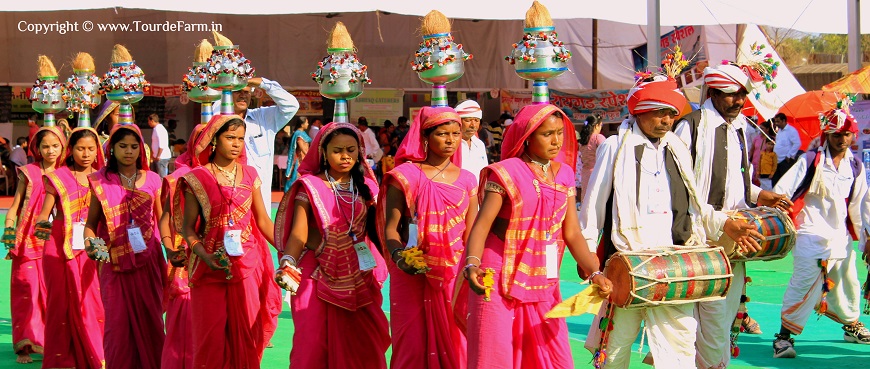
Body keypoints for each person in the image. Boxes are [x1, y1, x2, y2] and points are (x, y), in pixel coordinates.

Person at [581, 75, 760, 369]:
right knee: (614, 348)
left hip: (674, 265)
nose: (666, 120)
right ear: (639, 111)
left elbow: (696, 203)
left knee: (681, 349)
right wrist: (591, 267)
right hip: (629, 264)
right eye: (659, 112)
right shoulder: (615, 146)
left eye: (671, 114)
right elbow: (593, 209)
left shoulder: (675, 146)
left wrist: (723, 224)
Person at [463, 103, 611, 369]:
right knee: (494, 353)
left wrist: (594, 272)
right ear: (528, 136)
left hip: (543, 275)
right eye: (547, 134)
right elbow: (482, 225)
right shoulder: (506, 172)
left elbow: (572, 232)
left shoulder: (564, 173)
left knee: (551, 354)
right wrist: (472, 263)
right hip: (497, 274)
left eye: (560, 133)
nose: (556, 141)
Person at [673, 64, 792, 369]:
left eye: (741, 94)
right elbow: (682, 185)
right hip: (699, 238)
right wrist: (721, 221)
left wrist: (759, 195)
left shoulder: (740, 127)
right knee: (702, 323)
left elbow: (735, 181)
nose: (738, 101)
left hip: (735, 236)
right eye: (730, 94)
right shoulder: (692, 126)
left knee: (724, 322)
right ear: (712, 92)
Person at [275, 122, 390, 369]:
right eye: (338, 150)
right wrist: (288, 262)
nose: (345, 156)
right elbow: (299, 233)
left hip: (358, 274)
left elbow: (376, 232)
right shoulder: (310, 186)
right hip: (315, 274)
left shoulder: (368, 187)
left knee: (363, 343)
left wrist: (397, 256)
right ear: (323, 153)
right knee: (312, 343)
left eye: (351, 150)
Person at [381, 107, 478, 369]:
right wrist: (399, 257)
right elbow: (391, 228)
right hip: (411, 272)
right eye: (442, 134)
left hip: (453, 274)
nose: (450, 140)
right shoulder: (405, 176)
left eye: (456, 134)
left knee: (456, 344)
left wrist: (472, 266)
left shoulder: (469, 180)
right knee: (410, 344)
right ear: (425, 137)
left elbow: (471, 233)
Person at [178, 114, 277, 368]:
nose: (236, 144)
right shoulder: (197, 177)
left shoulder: (250, 174)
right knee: (209, 339)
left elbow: (264, 221)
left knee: (246, 335)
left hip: (247, 264)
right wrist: (202, 254)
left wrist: (289, 250)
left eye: (241, 139)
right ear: (214, 141)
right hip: (208, 265)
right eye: (230, 137)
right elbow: (188, 228)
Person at [772, 104, 870, 358]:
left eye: (847, 134)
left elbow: (860, 205)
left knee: (847, 283)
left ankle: (850, 325)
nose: (843, 139)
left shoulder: (855, 166)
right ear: (827, 135)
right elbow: (782, 192)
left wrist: (866, 239)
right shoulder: (810, 160)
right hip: (810, 234)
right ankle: (783, 337)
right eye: (837, 134)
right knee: (803, 284)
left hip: (840, 237)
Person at [83, 123, 166, 369]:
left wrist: (172, 250)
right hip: (114, 262)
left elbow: (163, 220)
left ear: (141, 149)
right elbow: (91, 224)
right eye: (122, 146)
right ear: (112, 149)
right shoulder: (99, 181)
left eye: (133, 146)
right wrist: (92, 245)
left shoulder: (153, 179)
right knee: (117, 326)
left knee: (151, 321)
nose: (129, 152)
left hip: (148, 259)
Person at [35, 126, 106, 369]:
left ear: (98, 150)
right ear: (70, 150)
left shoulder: (103, 178)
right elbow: (45, 212)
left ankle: (94, 357)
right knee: (59, 305)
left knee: (92, 302)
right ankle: (61, 361)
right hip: (58, 247)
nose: (86, 154)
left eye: (90, 148)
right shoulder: (58, 177)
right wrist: (41, 223)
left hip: (91, 246)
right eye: (80, 148)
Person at [3, 126, 64, 364]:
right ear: (36, 148)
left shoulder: (66, 174)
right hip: (27, 241)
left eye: (55, 145)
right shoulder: (27, 173)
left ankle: (53, 342)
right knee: (26, 291)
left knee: (53, 295)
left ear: (62, 147)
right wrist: (10, 231)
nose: (50, 150)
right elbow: (16, 206)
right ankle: (25, 346)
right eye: (45, 146)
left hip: (57, 242)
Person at [157, 125, 205, 369]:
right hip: (183, 262)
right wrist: (169, 249)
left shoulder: (232, 176)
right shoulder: (177, 180)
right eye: (203, 143)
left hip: (217, 262)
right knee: (181, 323)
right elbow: (165, 219)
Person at [213, 77, 300, 206]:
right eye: (238, 91)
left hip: (259, 199)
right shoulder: (217, 119)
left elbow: (292, 105)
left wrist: (263, 83)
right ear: (227, 94)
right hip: (225, 195)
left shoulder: (263, 118)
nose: (243, 96)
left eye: (247, 92)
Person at [455, 100, 488, 182]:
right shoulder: (451, 144)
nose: (473, 125)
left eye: (476, 120)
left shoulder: (479, 145)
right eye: (468, 120)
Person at [578, 114, 604, 201]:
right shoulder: (598, 138)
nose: (601, 128)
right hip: (597, 172)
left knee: (587, 199)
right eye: (601, 125)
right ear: (596, 126)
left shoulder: (583, 140)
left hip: (585, 173)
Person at [772, 112, 802, 185]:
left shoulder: (791, 131)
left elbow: (797, 143)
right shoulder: (780, 131)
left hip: (785, 161)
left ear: (784, 121)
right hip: (777, 161)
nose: (776, 123)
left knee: (784, 183)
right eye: (775, 122)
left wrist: (789, 155)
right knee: (776, 182)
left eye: (778, 121)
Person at [284, 117, 312, 192]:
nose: (308, 124)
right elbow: (301, 146)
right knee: (295, 177)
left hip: (304, 159)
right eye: (306, 122)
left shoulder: (302, 133)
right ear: (302, 124)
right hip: (299, 159)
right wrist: (308, 155)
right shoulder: (298, 134)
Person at [749, 120, 775, 186]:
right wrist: (748, 160)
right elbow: (752, 150)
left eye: (762, 128)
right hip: (754, 164)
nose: (760, 130)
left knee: (762, 185)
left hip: (764, 166)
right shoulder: (757, 138)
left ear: (767, 129)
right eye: (760, 128)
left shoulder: (771, 140)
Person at [149, 113, 172, 178]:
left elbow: (162, 144)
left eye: (149, 121)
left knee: (162, 176)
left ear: (152, 121)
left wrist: (158, 156)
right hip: (158, 157)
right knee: (156, 176)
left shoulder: (159, 129)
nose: (148, 123)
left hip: (162, 157)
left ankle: (163, 188)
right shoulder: (156, 129)